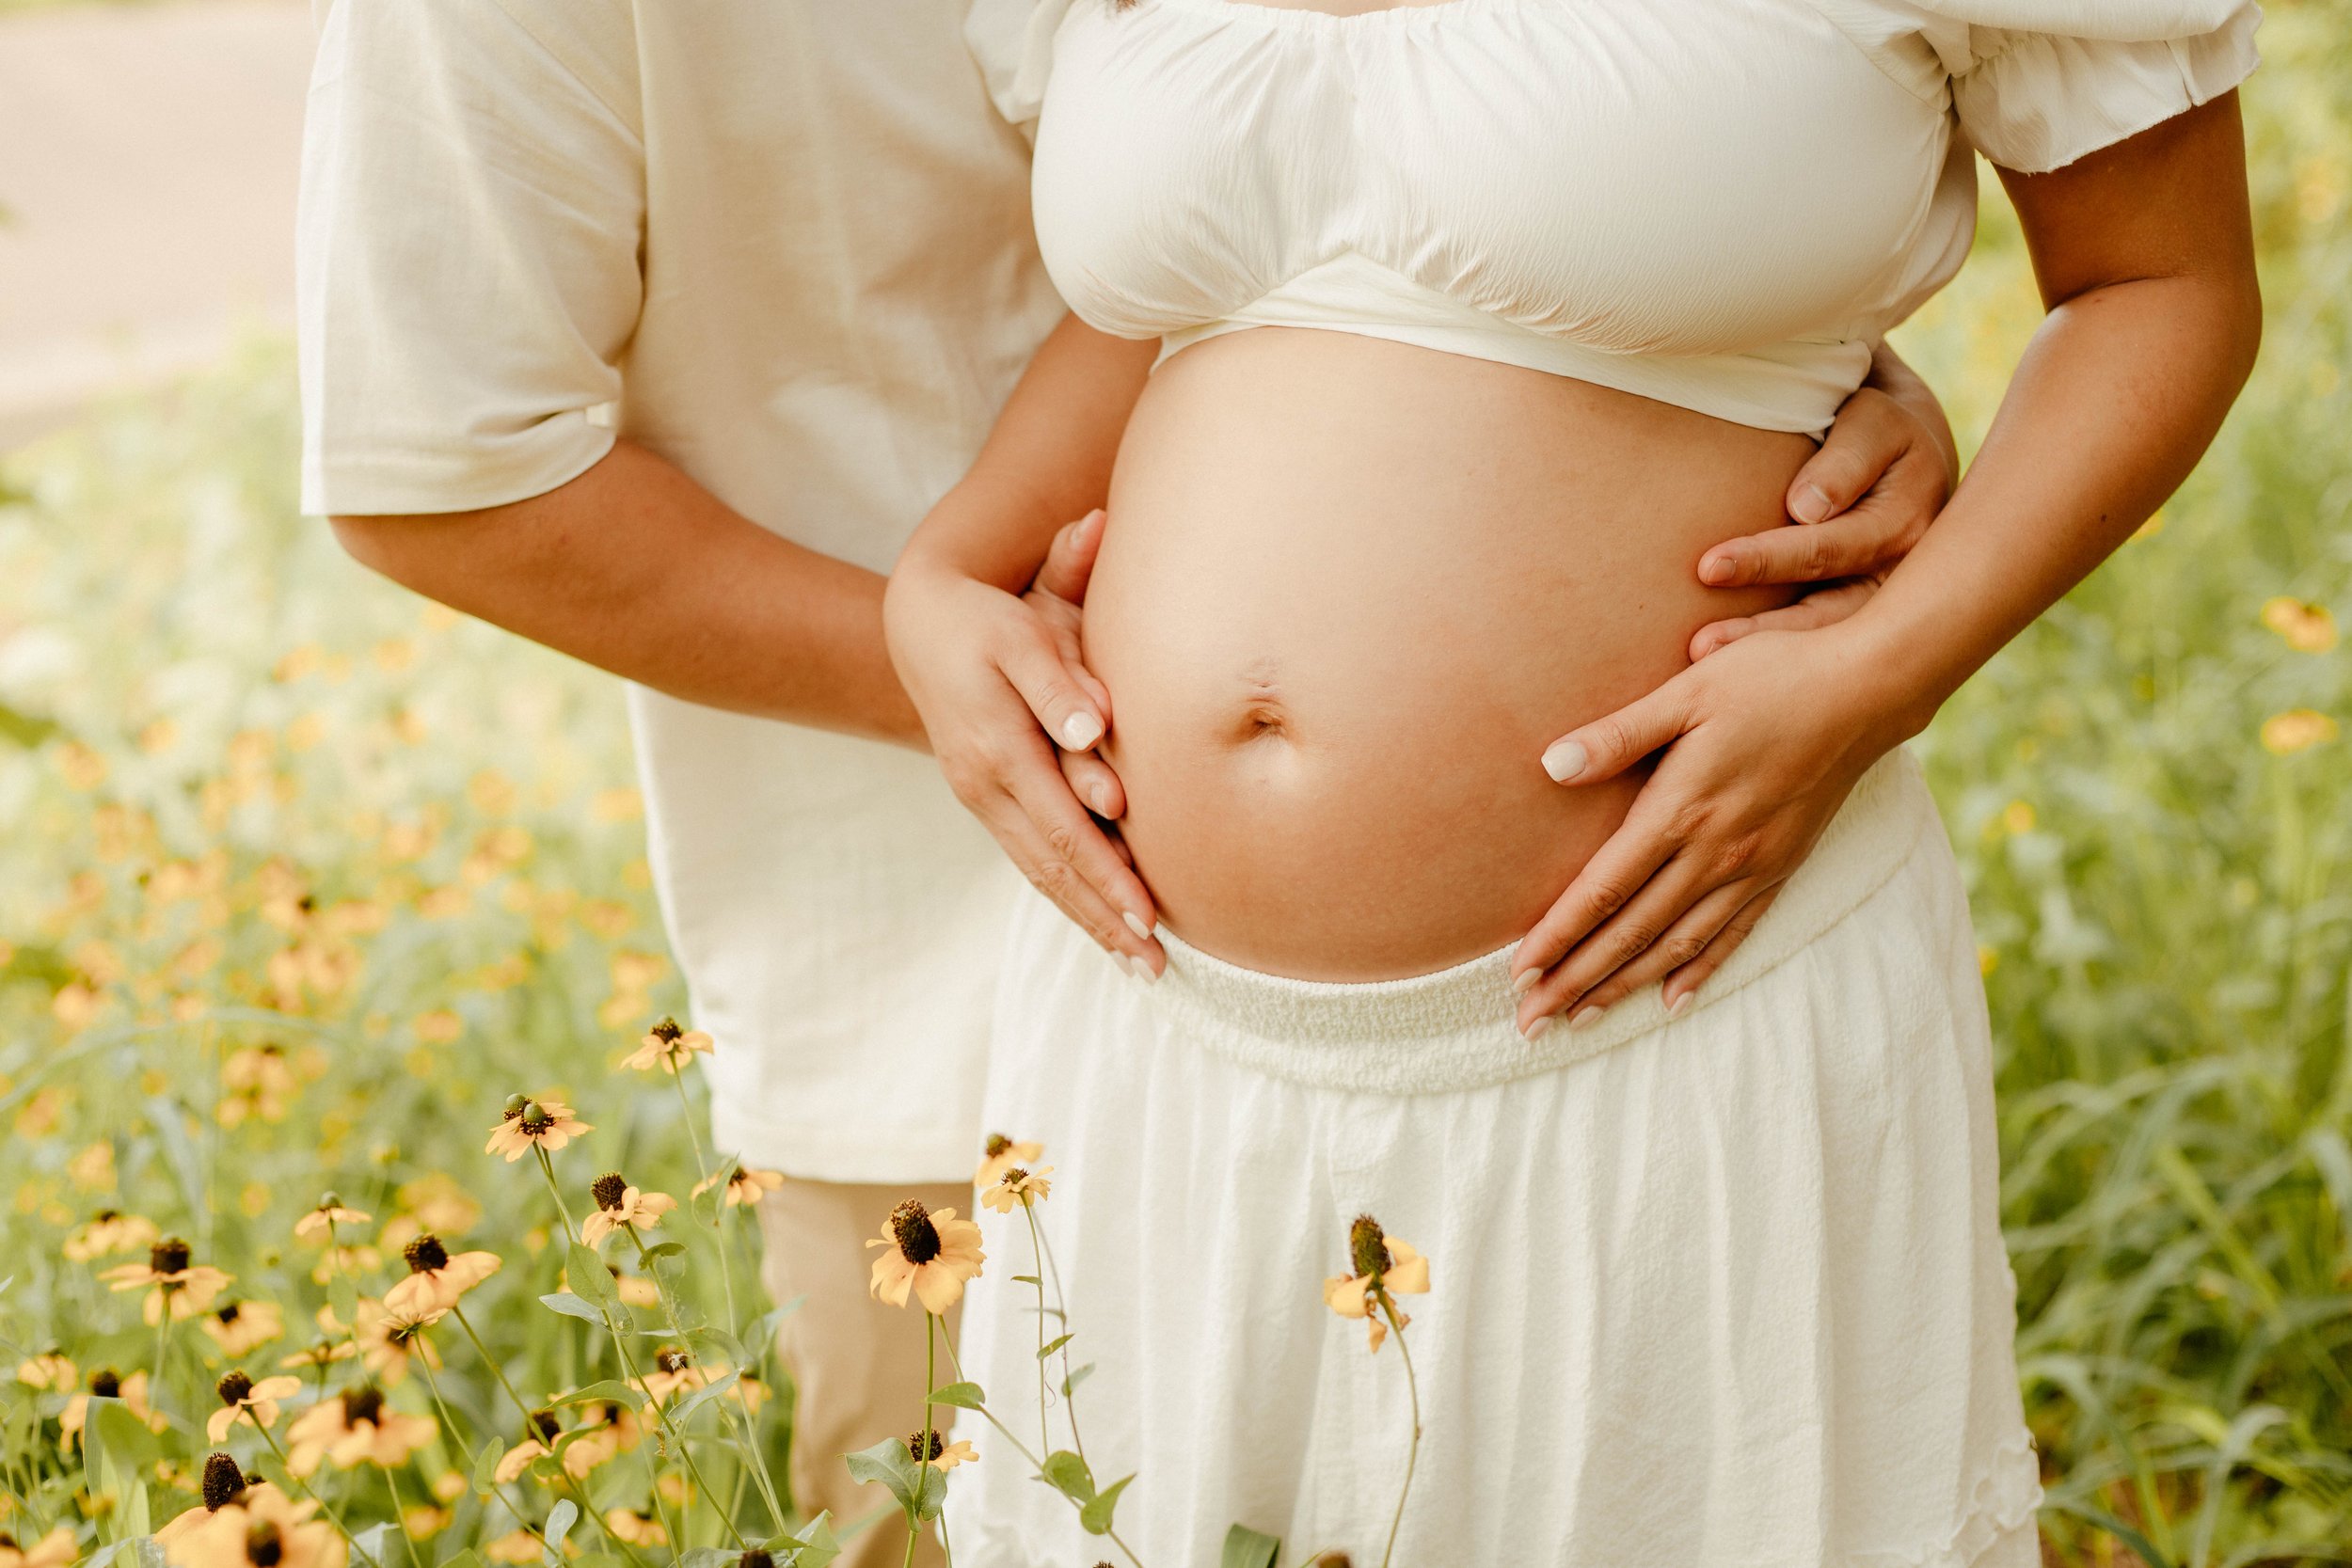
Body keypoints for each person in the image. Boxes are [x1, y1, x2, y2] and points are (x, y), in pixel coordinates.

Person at [296, 0, 1958, 1560]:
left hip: (1589, 976)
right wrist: (1028, 701)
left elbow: (1481, 179)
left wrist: (1795, 367)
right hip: (935, 1005)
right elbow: (444, 471)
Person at [886, 0, 2264, 1562]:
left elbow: (2161, 282)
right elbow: (1192, 294)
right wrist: (942, 574)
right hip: (1160, 1039)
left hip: (1671, 999)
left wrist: (1883, 676)